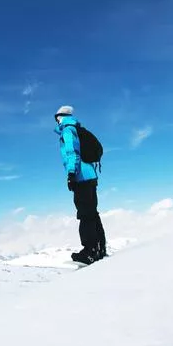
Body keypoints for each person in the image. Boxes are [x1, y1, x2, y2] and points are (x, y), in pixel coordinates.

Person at [54, 105, 107, 265]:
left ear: (60, 117)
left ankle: (89, 252)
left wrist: (71, 174)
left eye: (57, 118)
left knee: (84, 213)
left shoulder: (68, 130)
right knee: (92, 212)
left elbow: (72, 152)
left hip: (81, 176)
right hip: (90, 175)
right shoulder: (78, 129)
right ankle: (100, 249)